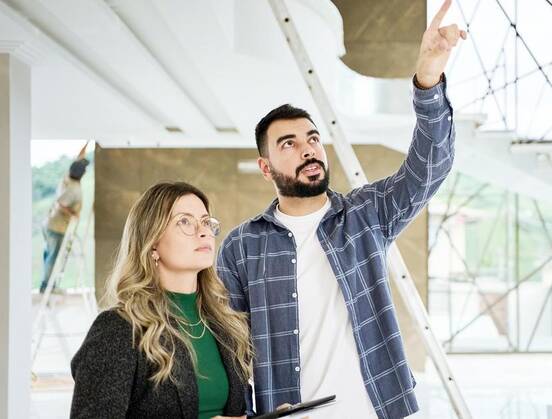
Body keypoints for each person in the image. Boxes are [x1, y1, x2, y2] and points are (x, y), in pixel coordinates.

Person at [216, 1, 466, 417]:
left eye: (312, 138)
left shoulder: (366, 214)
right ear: (265, 167)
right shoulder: (242, 245)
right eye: (289, 144)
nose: (308, 149)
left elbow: (431, 166)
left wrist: (428, 79)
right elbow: (229, 345)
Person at [70, 182, 253, 419]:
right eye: (185, 221)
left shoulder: (226, 325)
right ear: (152, 241)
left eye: (206, 222)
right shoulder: (118, 328)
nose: (204, 232)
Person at [39, 143, 90, 293]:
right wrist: (73, 213)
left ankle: (46, 285)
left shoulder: (68, 176)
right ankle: (47, 287)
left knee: (49, 254)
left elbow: (78, 158)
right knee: (53, 257)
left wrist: (88, 141)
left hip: (50, 224)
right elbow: (60, 204)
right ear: (81, 175)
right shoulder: (73, 189)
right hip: (57, 227)